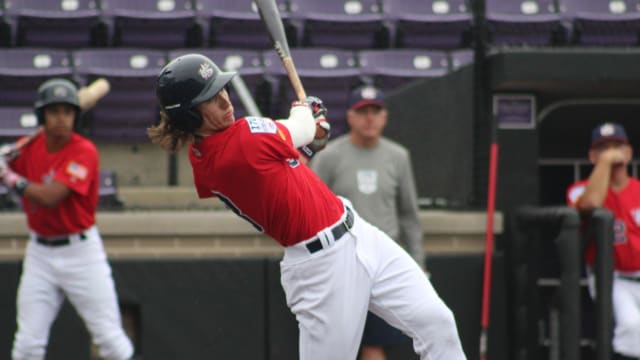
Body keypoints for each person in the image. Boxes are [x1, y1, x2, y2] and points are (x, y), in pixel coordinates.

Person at [148, 53, 465, 360]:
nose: (225, 101)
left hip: (361, 234)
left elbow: (290, 155)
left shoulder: (205, 156)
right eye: (210, 98)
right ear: (187, 115)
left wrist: (312, 132)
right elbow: (301, 129)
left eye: (222, 90)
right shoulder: (241, 140)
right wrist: (307, 111)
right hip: (321, 266)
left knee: (437, 322)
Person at [0, 78, 135, 360]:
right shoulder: (29, 149)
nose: (61, 118)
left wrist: (9, 178)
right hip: (39, 254)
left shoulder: (83, 151)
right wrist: (5, 157)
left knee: (110, 340)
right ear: (42, 115)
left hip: (81, 252)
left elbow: (50, 197)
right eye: (54, 111)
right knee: (26, 345)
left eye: (67, 111)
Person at [310, 84, 425, 360]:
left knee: (376, 344)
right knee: (339, 346)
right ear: (350, 116)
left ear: (385, 116)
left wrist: (419, 265)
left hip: (384, 263)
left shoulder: (398, 157)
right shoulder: (329, 157)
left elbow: (409, 214)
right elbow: (311, 211)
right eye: (363, 112)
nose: (369, 118)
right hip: (341, 262)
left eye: (376, 111)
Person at [566, 122, 640, 360]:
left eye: (617, 146)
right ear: (593, 155)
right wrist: (606, 163)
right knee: (631, 327)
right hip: (612, 278)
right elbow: (590, 204)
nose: (612, 152)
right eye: (604, 148)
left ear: (629, 152)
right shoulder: (580, 190)